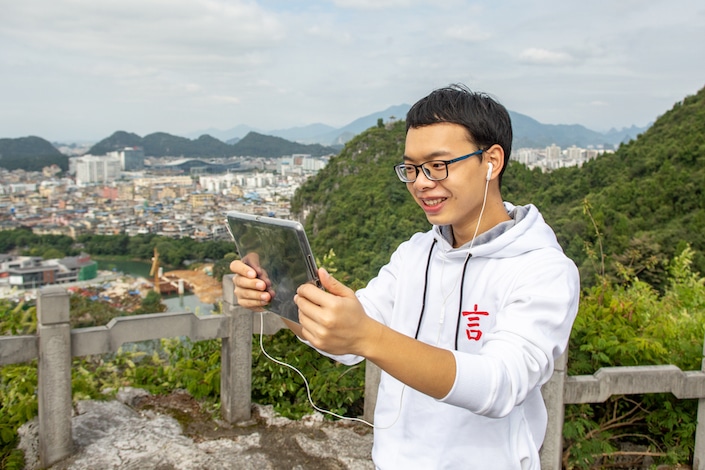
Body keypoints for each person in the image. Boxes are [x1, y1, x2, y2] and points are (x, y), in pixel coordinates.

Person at [231, 84, 580, 469]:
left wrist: (367, 334)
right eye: (411, 168)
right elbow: (345, 345)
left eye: (438, 165)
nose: (421, 183)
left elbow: (500, 385)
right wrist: (278, 294)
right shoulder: (415, 253)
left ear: (491, 161)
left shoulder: (542, 269)